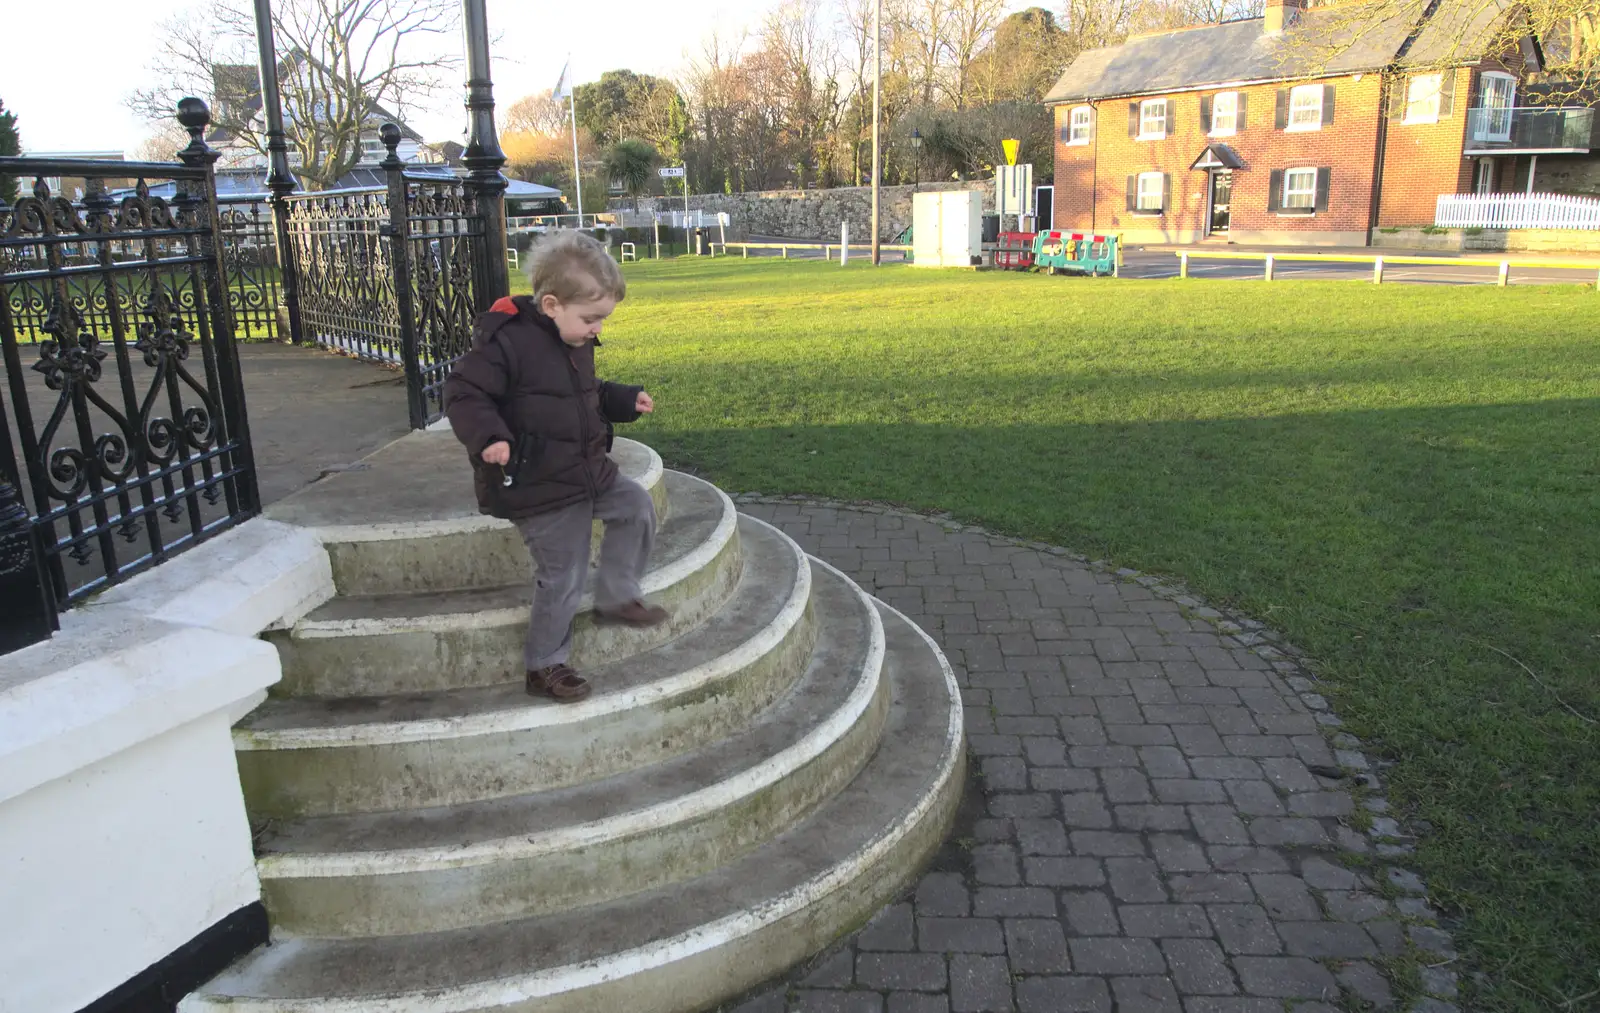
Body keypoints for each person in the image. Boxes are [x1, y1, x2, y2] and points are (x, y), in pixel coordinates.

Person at [444, 231, 667, 703]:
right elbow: (463, 393)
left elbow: (582, 393)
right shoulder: (505, 343)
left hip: (585, 468)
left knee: (635, 506)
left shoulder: (573, 338)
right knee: (563, 573)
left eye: (602, 319)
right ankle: (544, 665)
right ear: (550, 305)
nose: (598, 330)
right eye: (591, 319)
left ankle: (616, 596)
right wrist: (491, 437)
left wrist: (623, 399)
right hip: (538, 483)